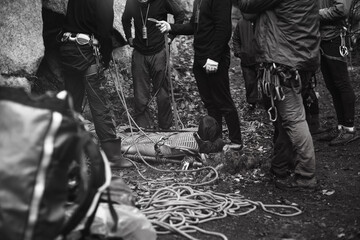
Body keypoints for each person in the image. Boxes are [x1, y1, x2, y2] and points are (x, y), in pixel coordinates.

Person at [238, 0, 320, 190]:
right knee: (289, 119)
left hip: (284, 61)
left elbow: (247, 6)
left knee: (294, 120)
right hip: (303, 57)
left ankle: (306, 176)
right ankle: (285, 164)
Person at [156, 0, 243, 149]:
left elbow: (224, 29)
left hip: (215, 58)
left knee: (223, 101)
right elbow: (193, 27)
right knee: (209, 102)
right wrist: (171, 27)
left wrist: (214, 58)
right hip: (200, 56)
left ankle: (236, 142)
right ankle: (216, 140)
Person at [59, 0, 132, 169]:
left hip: (67, 49)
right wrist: (105, 58)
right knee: (99, 105)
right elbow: (105, 31)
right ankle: (113, 156)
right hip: (86, 51)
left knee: (72, 104)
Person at [121, 0, 185, 130]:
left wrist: (171, 35)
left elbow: (180, 14)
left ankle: (165, 128)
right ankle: (143, 129)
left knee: (162, 94)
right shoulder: (132, 2)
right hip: (139, 52)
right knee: (140, 95)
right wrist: (129, 37)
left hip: (159, 52)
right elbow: (125, 19)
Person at [318, 0, 359, 146]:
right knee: (332, 85)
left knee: (341, 83)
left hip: (335, 38)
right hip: (322, 38)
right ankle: (341, 126)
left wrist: (315, 15)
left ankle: (349, 129)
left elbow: (342, 10)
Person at [232, 13, 259, 110]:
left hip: (261, 59)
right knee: (250, 82)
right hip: (246, 59)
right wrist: (239, 53)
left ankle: (267, 102)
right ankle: (252, 104)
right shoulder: (241, 22)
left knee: (265, 83)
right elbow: (236, 39)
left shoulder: (261, 19)